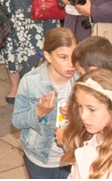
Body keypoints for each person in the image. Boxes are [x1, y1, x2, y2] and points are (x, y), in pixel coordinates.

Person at [11, 27, 78, 178]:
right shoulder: (31, 81)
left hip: (72, 156)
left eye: (74, 57)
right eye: (63, 57)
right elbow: (16, 121)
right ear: (48, 56)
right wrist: (38, 113)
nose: (71, 64)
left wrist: (77, 114)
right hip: (40, 159)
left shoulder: (81, 80)